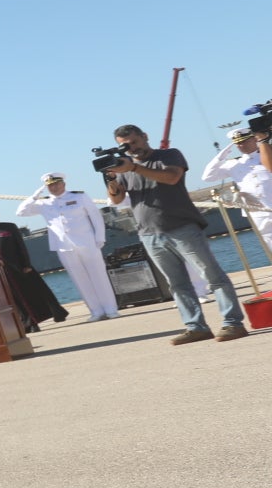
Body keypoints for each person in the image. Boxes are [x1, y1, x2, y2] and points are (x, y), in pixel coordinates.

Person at [103, 124, 248, 343]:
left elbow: (171, 177)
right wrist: (111, 178)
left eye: (134, 142)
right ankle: (196, 326)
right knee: (177, 284)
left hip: (182, 227)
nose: (131, 148)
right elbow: (116, 199)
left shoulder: (169, 155)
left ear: (145, 137)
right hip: (149, 233)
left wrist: (133, 168)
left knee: (212, 276)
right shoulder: (125, 167)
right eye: (125, 146)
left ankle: (233, 323)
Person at [17, 174, 118, 321]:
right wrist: (34, 197)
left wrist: (100, 238)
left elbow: (95, 216)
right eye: (50, 185)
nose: (54, 187)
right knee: (80, 280)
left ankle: (111, 309)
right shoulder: (43, 203)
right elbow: (20, 212)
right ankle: (96, 311)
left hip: (87, 242)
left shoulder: (80, 196)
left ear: (63, 183)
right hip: (64, 246)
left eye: (56, 183)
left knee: (99, 276)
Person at [0, 206, 68, 332]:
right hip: (2, 271)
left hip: (19, 267)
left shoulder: (9, 227)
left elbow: (20, 246)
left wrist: (26, 265)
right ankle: (28, 323)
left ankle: (55, 313)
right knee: (15, 299)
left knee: (34, 293)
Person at [203, 128, 272, 244]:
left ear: (254, 139)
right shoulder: (233, 164)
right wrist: (222, 155)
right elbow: (207, 177)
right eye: (238, 143)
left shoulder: (267, 156)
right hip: (257, 213)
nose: (241, 145)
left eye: (244, 141)